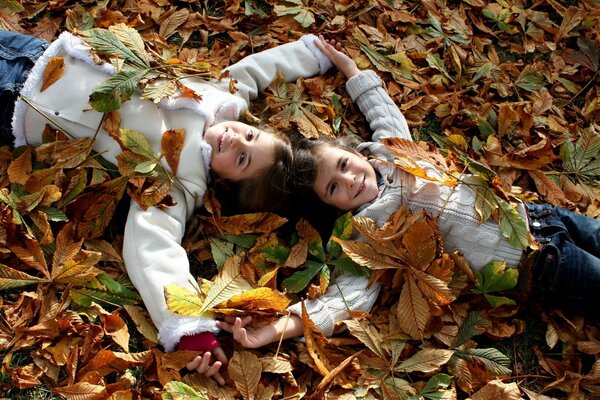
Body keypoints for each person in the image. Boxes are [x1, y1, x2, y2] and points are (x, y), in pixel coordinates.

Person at [218, 36, 600, 349]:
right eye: (334, 187)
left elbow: (382, 112)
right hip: (541, 266)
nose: (350, 180)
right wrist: (274, 329)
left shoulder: (388, 153)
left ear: (353, 152)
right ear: (329, 205)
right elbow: (346, 300)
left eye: (345, 165)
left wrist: (351, 69)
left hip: (537, 215)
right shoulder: (368, 232)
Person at [0, 29, 334, 383]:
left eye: (240, 159)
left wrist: (191, 329)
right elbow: (257, 70)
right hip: (47, 52)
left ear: (226, 183)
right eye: (249, 135)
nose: (234, 139)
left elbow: (152, 245)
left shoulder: (181, 178)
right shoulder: (222, 99)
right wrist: (312, 54)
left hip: (23, 102)